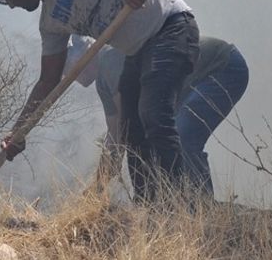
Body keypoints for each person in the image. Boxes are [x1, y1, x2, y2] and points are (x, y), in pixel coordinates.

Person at [0, 0, 200, 202]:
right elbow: (48, 80)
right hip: (138, 52)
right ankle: (151, 209)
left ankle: (179, 206)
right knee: (130, 130)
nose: (11, 5)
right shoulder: (51, 25)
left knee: (153, 113)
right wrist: (19, 131)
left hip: (170, 27)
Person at [70, 35, 249, 198]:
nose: (66, 75)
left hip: (221, 67)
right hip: (197, 80)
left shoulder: (110, 58)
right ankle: (185, 206)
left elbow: (127, 126)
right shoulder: (103, 82)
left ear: (85, 53)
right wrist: (98, 187)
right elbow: (115, 136)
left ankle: (203, 211)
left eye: (67, 65)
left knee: (182, 137)